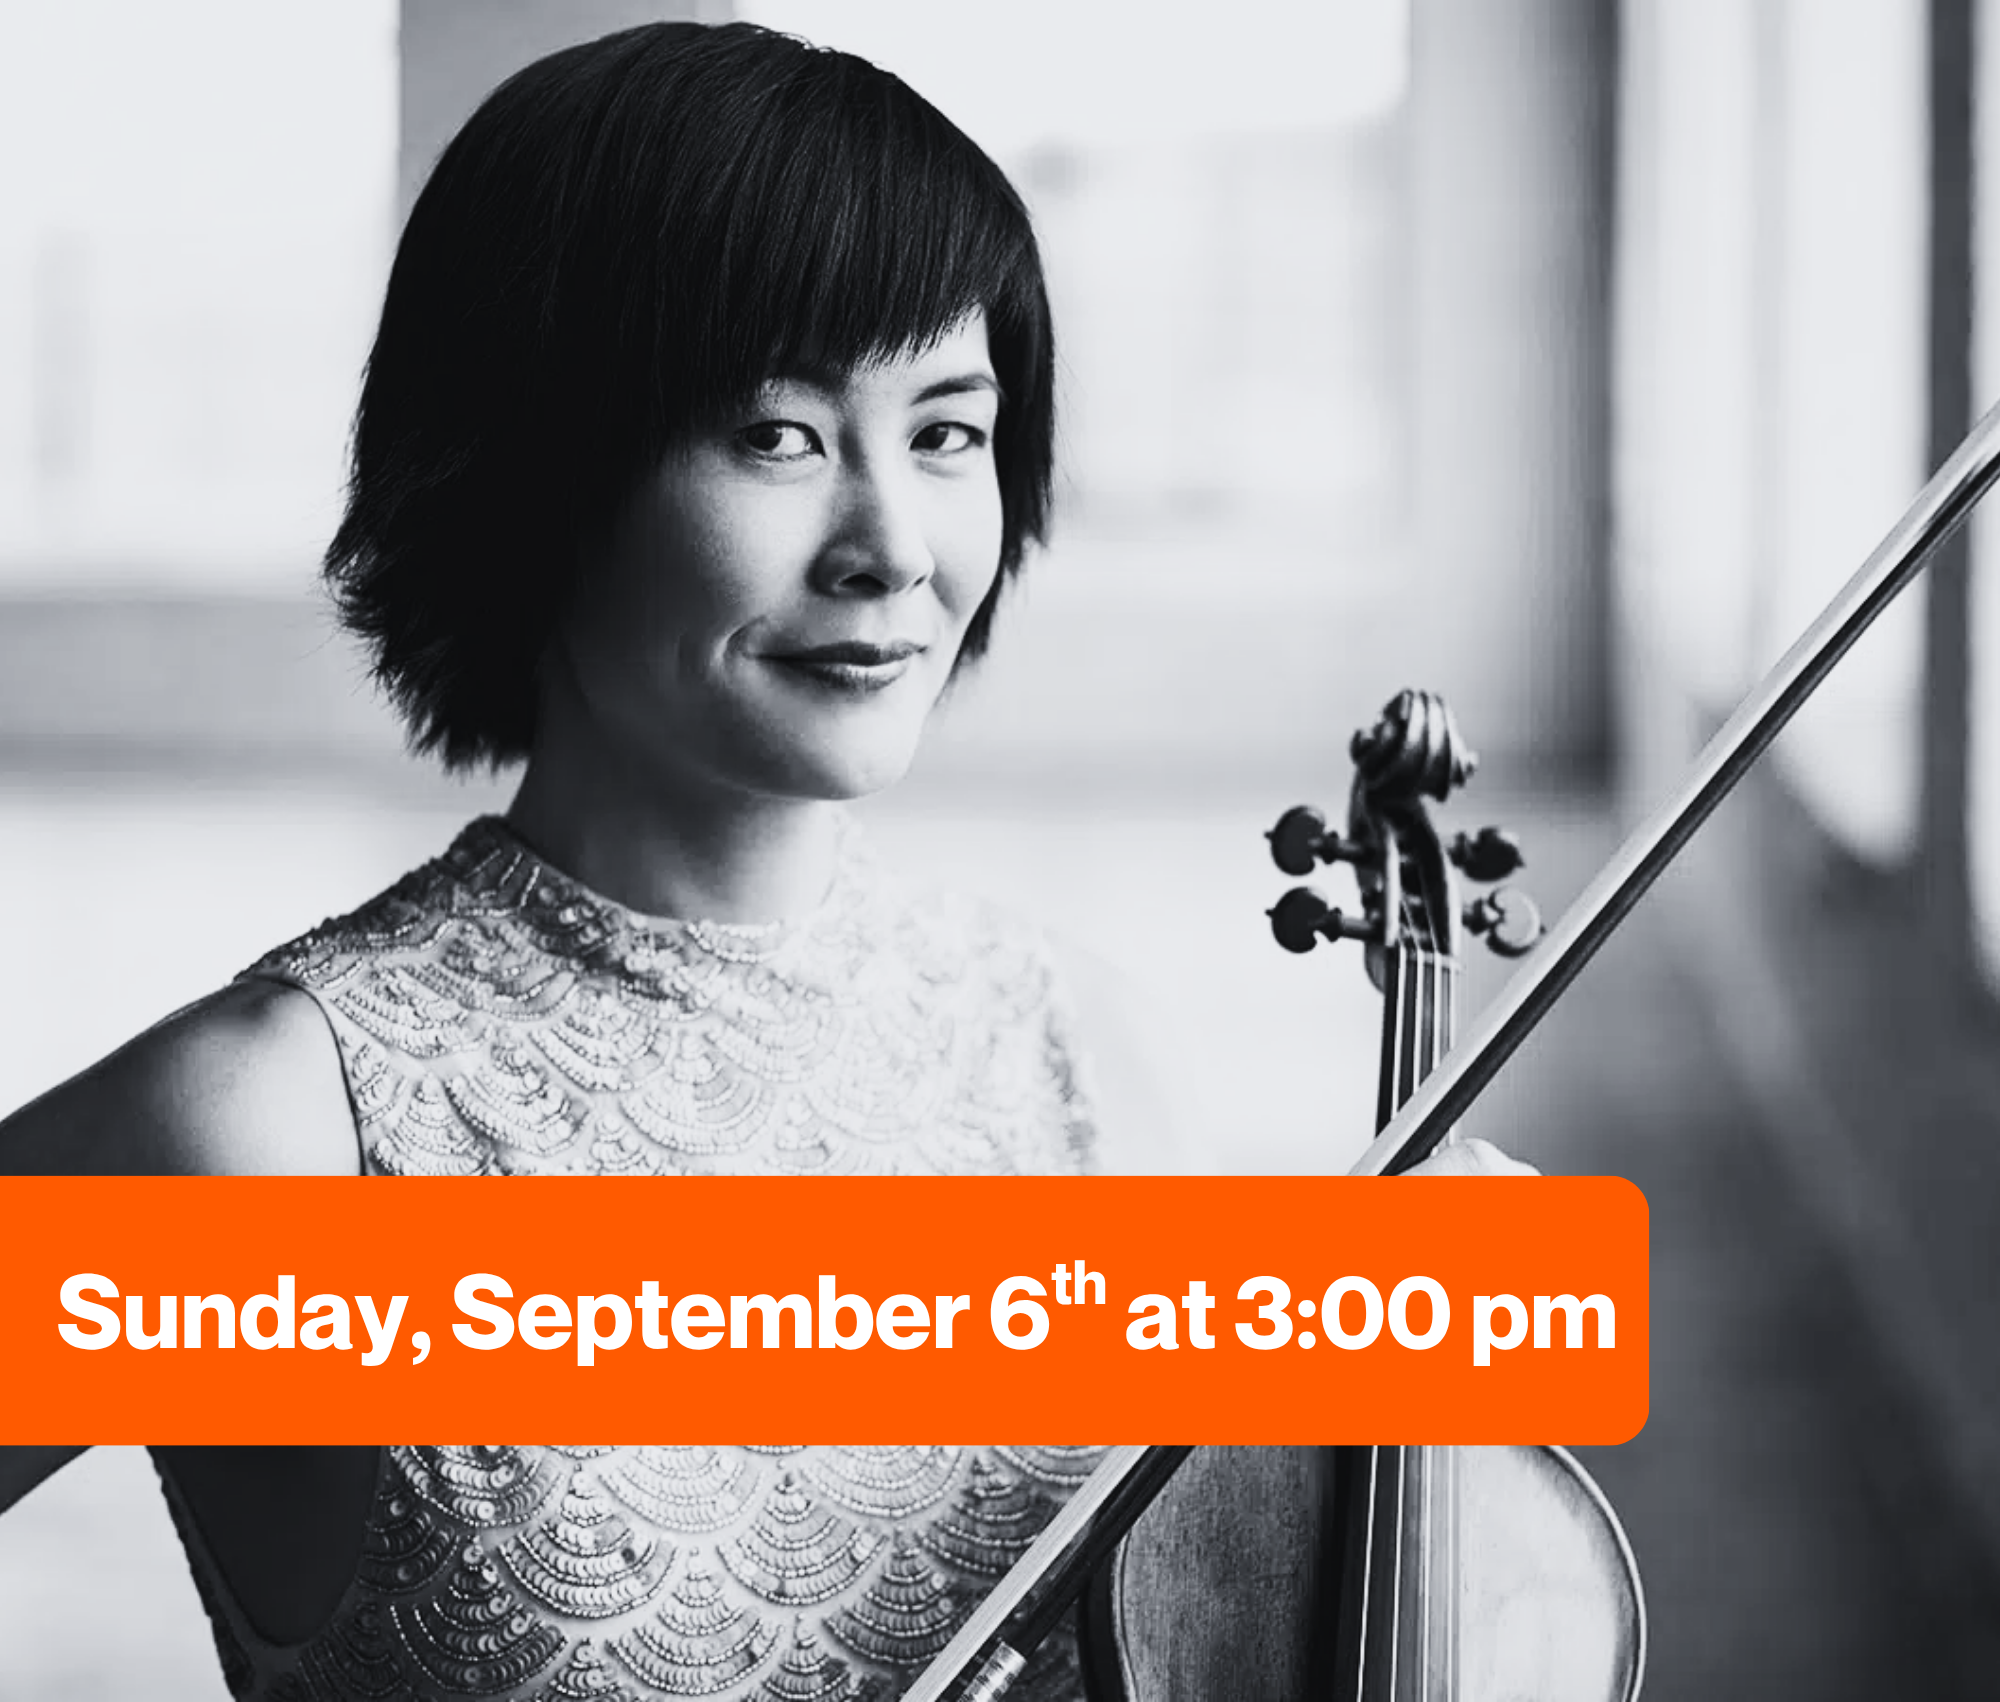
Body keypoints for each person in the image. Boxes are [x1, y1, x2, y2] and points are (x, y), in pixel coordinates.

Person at [0, 21, 1529, 1701]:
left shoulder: (1078, 1044)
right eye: (779, 434)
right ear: (534, 467)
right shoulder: (275, 1129)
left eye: (947, 431)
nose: (890, 547)